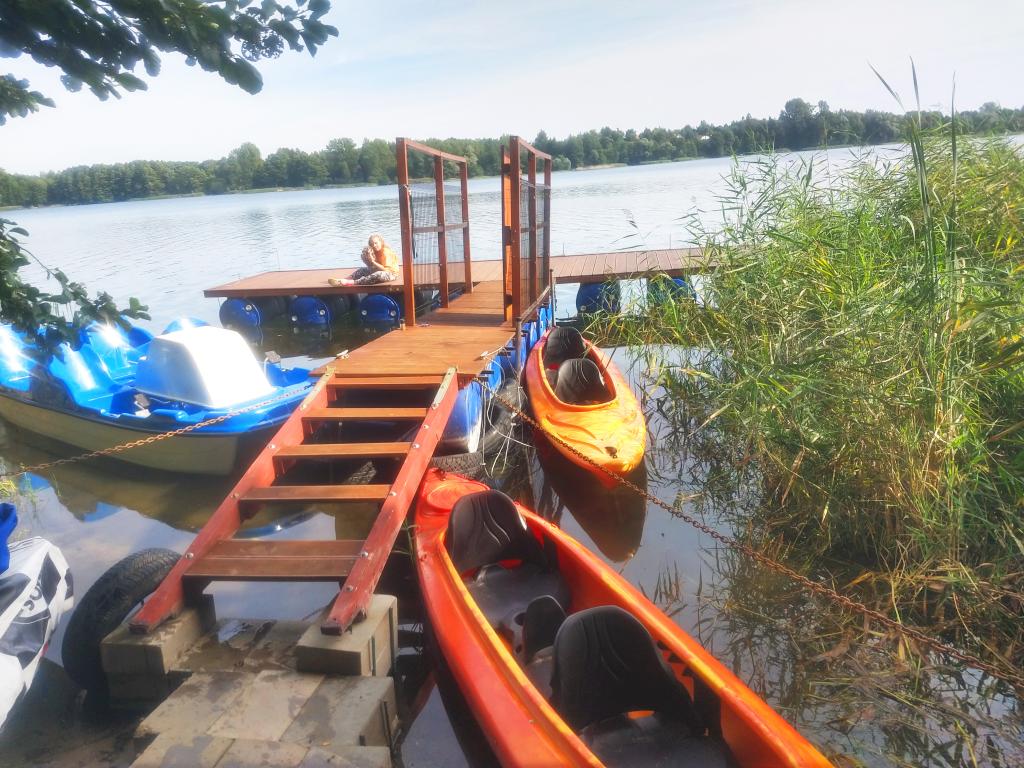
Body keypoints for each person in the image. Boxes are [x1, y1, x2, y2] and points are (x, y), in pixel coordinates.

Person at [328, 234, 399, 286]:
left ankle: (352, 282)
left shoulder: (386, 252)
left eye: (376, 243)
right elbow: (373, 267)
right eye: (372, 244)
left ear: (381, 242)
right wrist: (367, 261)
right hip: (381, 271)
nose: (374, 245)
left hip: (391, 274)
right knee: (362, 270)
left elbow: (385, 270)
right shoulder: (374, 251)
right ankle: (345, 279)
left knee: (377, 274)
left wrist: (373, 262)